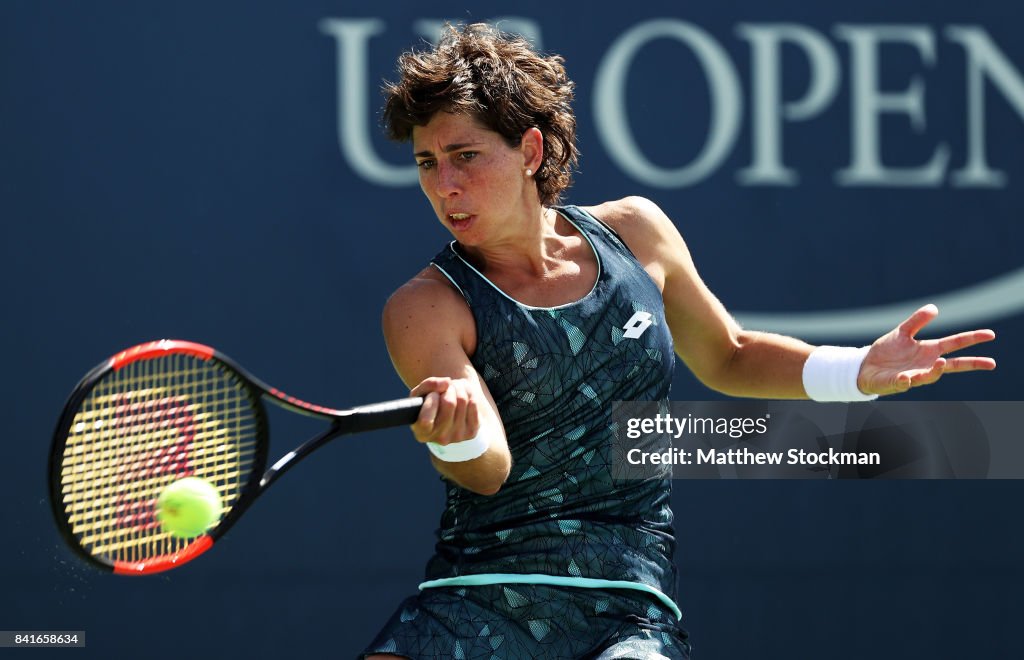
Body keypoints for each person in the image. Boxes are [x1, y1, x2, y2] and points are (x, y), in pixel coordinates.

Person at [362, 23, 996, 660]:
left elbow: (729, 355)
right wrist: (459, 430)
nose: (444, 185)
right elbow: (487, 469)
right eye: (427, 162)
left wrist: (859, 368)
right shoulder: (425, 306)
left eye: (465, 156)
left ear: (529, 151)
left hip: (630, 608)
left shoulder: (637, 232)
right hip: (476, 597)